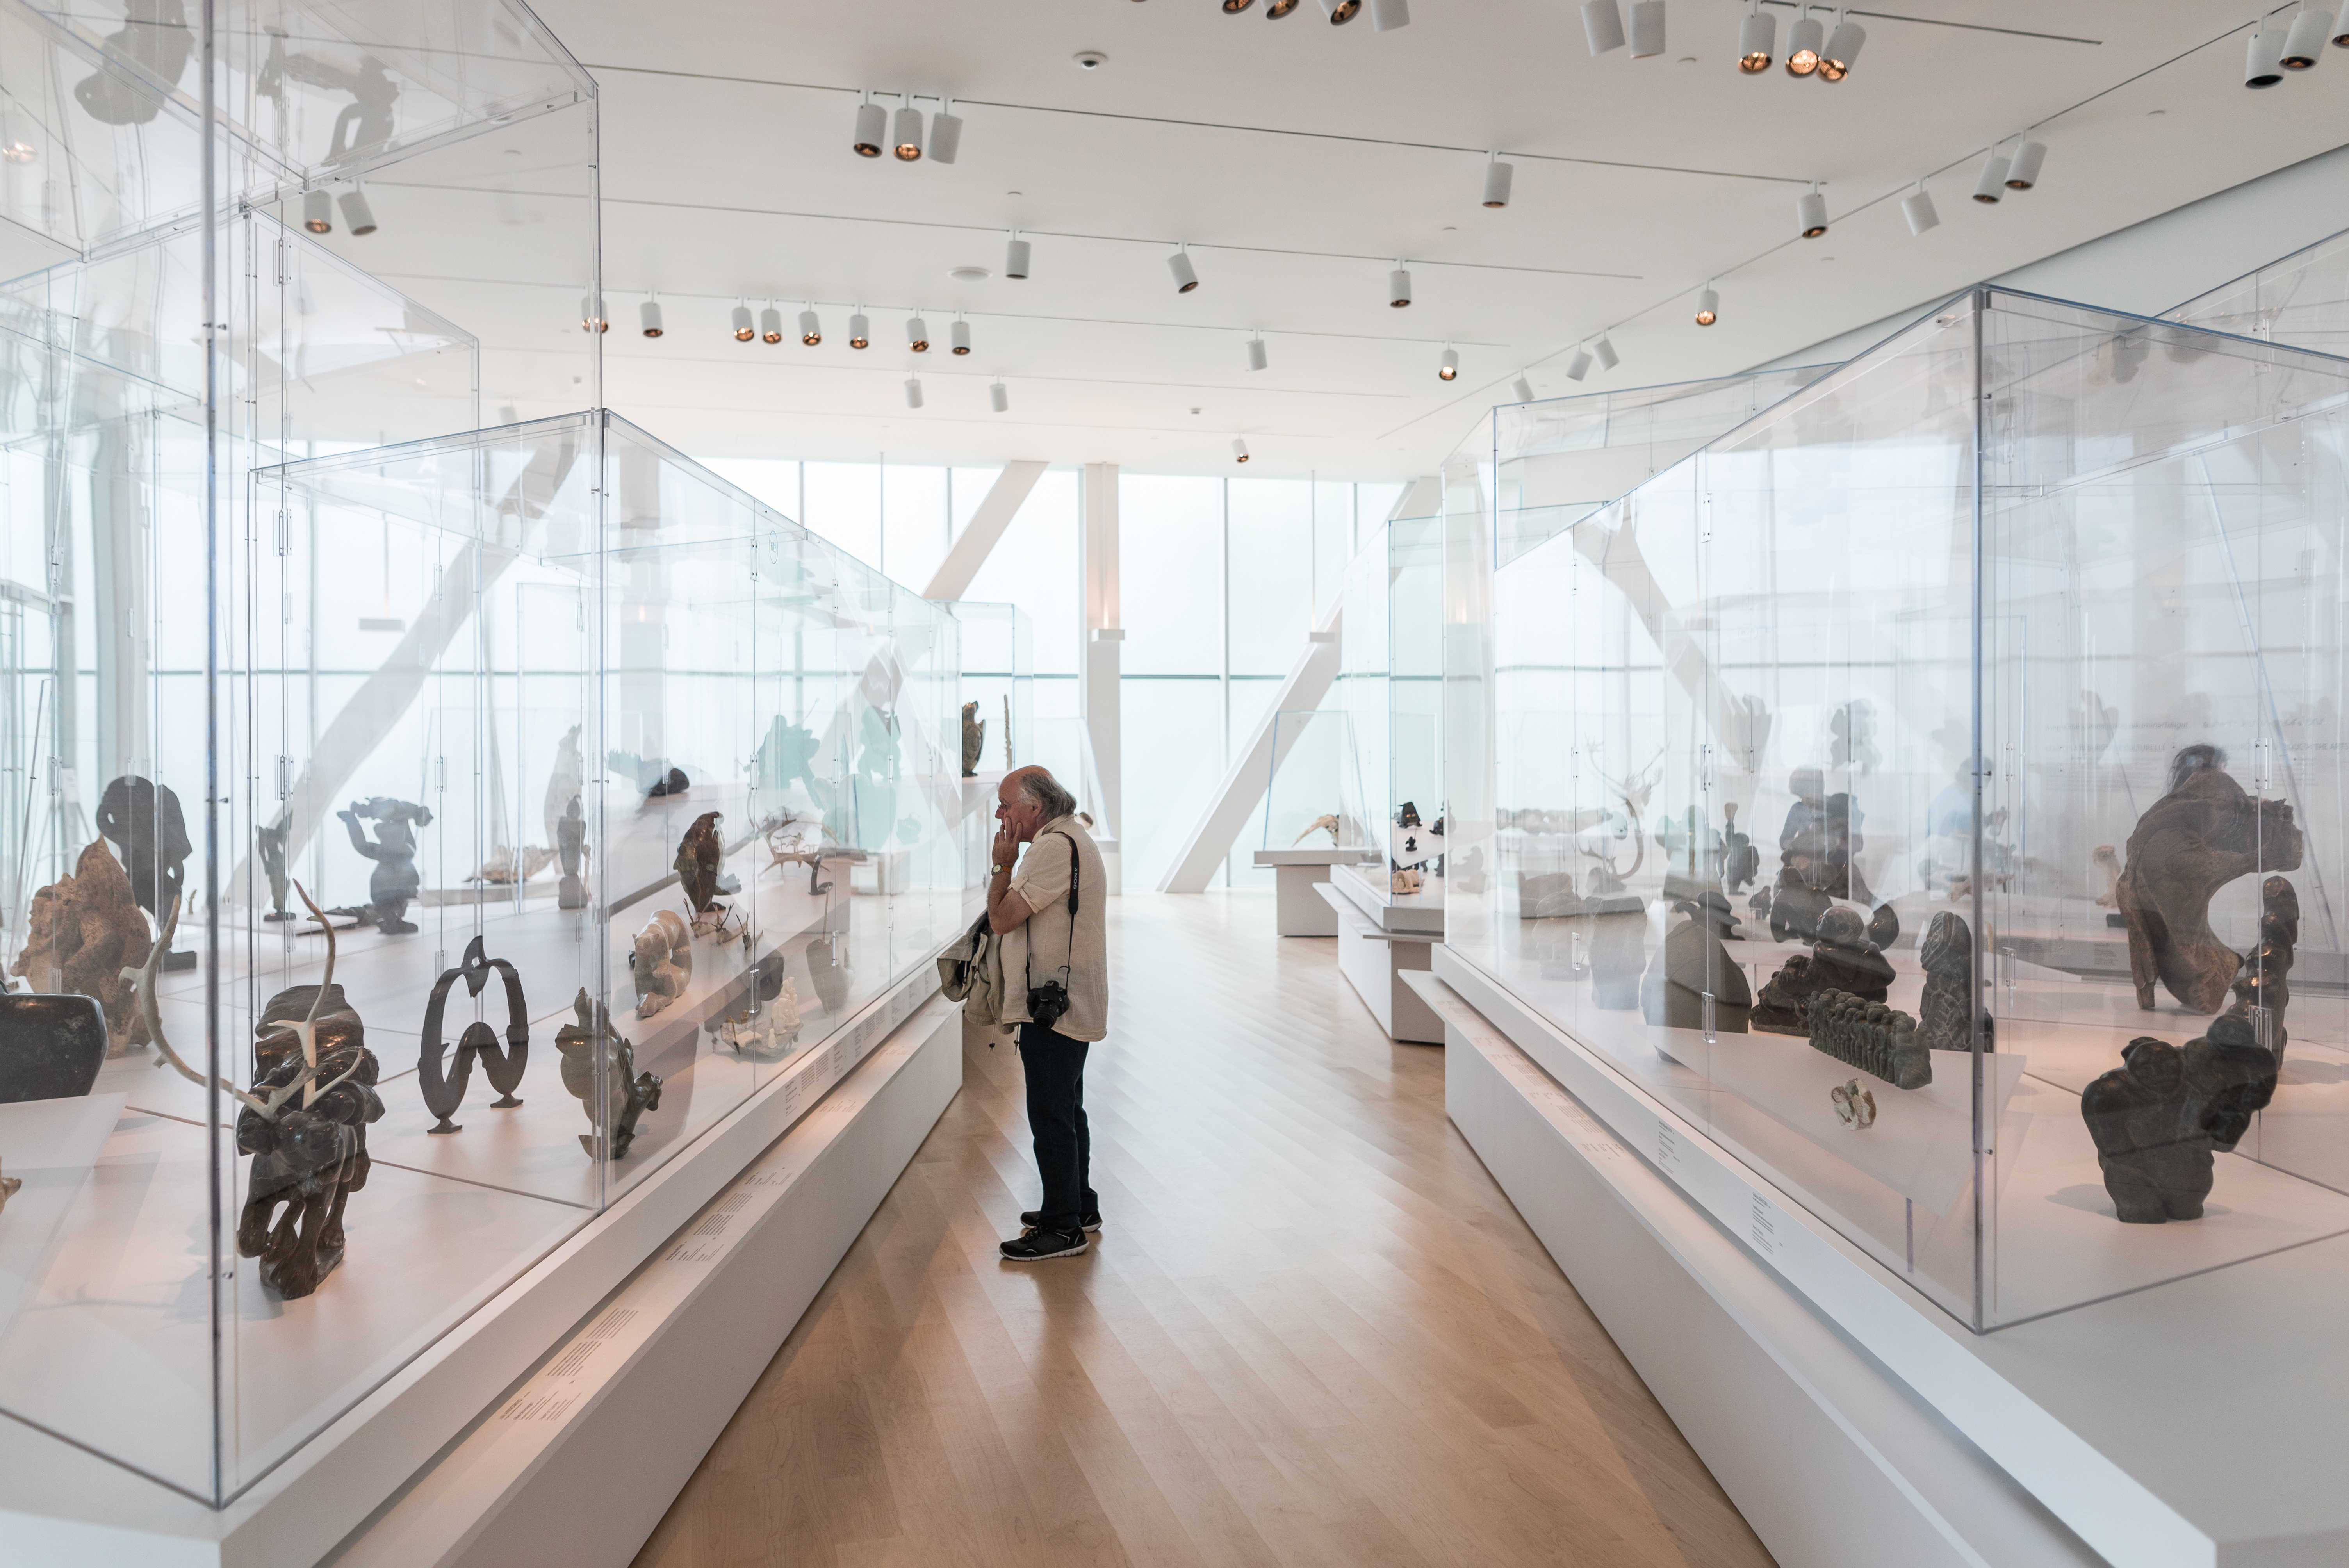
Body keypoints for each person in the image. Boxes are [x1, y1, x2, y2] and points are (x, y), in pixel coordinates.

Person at [987, 765, 1110, 1261]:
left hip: (1053, 1006)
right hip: (1066, 998)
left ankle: (1062, 1228)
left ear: (1033, 809)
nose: (1000, 814)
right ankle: (1077, 1205)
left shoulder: (1053, 848)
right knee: (1066, 1106)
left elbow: (1002, 919)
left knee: (1051, 1113)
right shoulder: (1069, 838)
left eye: (1005, 804)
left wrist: (1001, 864)